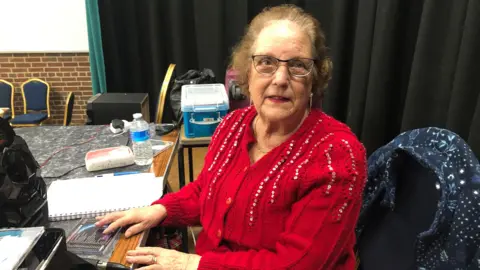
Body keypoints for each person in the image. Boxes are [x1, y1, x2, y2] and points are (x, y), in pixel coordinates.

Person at [96, 4, 367, 270]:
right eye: (266, 63)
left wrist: (191, 264)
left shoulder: (337, 156)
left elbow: (299, 264)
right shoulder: (233, 125)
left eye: (297, 65)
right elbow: (206, 190)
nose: (281, 78)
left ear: (314, 79)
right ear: (248, 72)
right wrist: (160, 210)